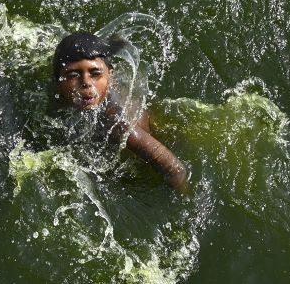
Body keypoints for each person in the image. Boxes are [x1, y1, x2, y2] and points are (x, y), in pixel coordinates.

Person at [51, 31, 188, 194]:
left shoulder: (116, 120)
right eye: (73, 75)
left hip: (160, 132)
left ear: (110, 76)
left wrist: (186, 204)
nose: (86, 83)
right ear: (57, 81)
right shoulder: (56, 94)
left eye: (95, 74)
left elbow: (175, 170)